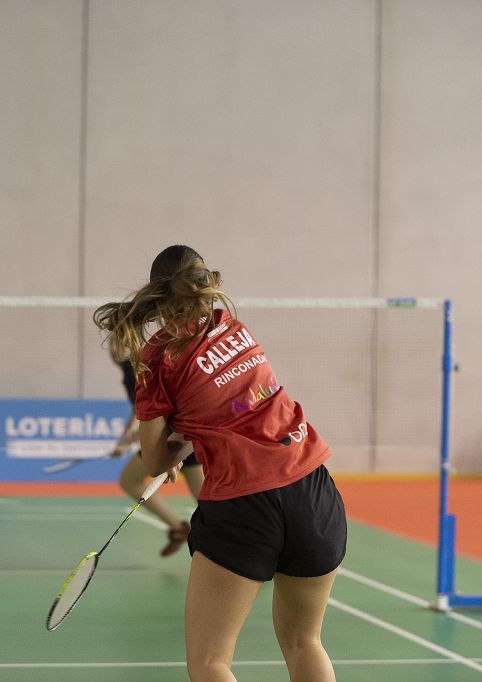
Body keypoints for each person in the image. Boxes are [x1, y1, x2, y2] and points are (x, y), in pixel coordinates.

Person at [94, 245, 346, 682]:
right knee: (305, 642)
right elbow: (236, 407)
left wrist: (172, 448)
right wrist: (190, 436)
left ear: (156, 294)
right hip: (313, 489)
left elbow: (153, 460)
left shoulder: (157, 357)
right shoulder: (236, 328)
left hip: (245, 504)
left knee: (211, 662)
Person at [110, 357, 204, 556]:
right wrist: (126, 438)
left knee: (129, 480)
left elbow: (151, 414)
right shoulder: (142, 362)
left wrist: (128, 442)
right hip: (184, 430)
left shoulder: (133, 368)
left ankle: (179, 529)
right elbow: (139, 409)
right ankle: (247, 540)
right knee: (208, 503)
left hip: (170, 436)